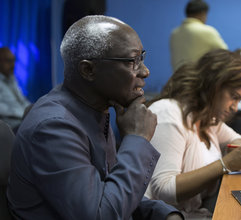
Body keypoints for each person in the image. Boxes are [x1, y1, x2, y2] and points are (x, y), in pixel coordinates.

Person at [7, 15, 183, 220]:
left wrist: (163, 214)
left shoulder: (96, 109)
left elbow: (110, 188)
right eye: (132, 61)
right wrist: (138, 139)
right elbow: (101, 214)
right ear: (88, 70)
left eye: (141, 58)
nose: (145, 71)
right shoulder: (53, 127)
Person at [144, 49, 241, 218]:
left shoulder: (207, 118)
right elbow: (164, 189)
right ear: (215, 85)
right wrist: (226, 164)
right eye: (233, 97)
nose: (235, 107)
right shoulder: (168, 113)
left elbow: (237, 139)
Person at [170, 0, 228, 71]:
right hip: (199, 80)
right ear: (202, 13)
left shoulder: (174, 33)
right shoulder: (207, 31)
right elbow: (225, 56)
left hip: (177, 80)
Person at [0, 47, 31, 130]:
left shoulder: (11, 79)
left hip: (23, 120)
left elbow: (21, 100)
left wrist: (34, 109)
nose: (13, 64)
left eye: (13, 60)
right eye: (8, 61)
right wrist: (25, 113)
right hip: (10, 125)